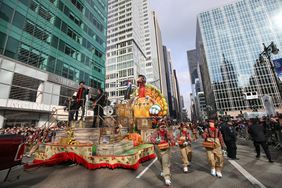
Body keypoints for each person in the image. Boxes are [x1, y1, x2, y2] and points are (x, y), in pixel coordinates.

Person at [150, 121, 175, 186]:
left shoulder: (167, 132)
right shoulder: (156, 132)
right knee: (161, 160)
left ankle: (167, 178)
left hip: (166, 149)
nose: (163, 128)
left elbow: (172, 138)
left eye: (164, 126)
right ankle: (164, 170)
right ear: (159, 127)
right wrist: (156, 141)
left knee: (165, 162)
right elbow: (151, 138)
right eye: (161, 127)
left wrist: (172, 142)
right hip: (158, 149)